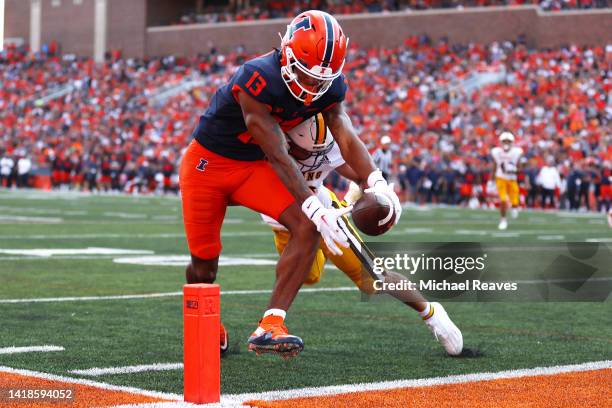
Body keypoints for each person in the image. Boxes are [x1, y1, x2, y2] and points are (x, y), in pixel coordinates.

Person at [179, 10, 402, 358]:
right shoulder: (257, 77)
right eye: (304, 74)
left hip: (252, 169)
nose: (312, 87)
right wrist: (314, 203)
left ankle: (270, 324)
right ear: (286, 53)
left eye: (319, 79)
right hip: (207, 166)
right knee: (204, 262)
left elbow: (343, 130)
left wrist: (377, 181)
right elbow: (277, 151)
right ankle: (206, 320)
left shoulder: (328, 86)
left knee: (306, 226)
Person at [262, 115, 463, 355]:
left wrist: (377, 191)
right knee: (309, 276)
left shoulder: (325, 140)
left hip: (328, 214)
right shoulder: (271, 143)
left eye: (321, 150)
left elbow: (359, 173)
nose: (316, 155)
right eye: (309, 151)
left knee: (373, 279)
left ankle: (431, 313)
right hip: (288, 219)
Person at [491, 132, 522, 230]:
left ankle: (514, 207)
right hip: (501, 178)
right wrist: (491, 180)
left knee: (515, 201)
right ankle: (503, 220)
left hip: (512, 179)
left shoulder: (516, 152)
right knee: (503, 200)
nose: (506, 143)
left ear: (512, 142)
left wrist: (514, 169)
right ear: (501, 142)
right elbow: (495, 165)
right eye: (504, 141)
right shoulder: (497, 152)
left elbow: (520, 167)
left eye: (508, 141)